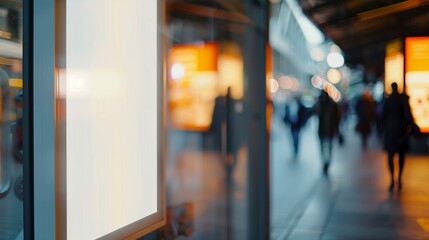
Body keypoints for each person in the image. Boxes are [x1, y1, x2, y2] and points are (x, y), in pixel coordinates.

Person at [382, 83, 416, 190]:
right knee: (401, 155)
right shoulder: (402, 100)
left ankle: (393, 179)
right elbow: (408, 115)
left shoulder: (388, 100)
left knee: (391, 156)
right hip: (401, 130)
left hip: (391, 131)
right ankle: (399, 178)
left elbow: (383, 116)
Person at [317, 91, 341, 175]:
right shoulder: (320, 104)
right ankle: (324, 163)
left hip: (330, 130)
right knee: (322, 148)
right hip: (321, 131)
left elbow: (337, 118)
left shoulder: (332, 105)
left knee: (329, 148)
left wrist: (337, 130)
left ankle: (328, 163)